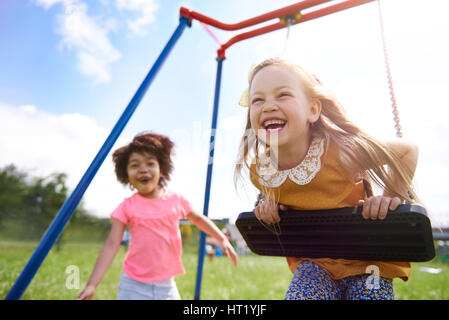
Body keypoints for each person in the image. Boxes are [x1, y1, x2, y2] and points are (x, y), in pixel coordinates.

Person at [235, 57, 420, 300]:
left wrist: (389, 197)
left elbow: (408, 150)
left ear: (313, 110)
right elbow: (281, 197)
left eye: (282, 95)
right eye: (258, 99)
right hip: (315, 264)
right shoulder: (262, 171)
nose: (268, 106)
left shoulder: (341, 153)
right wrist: (267, 207)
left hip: (369, 262)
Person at [77, 132, 237, 300]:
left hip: (166, 286)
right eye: (135, 165)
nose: (143, 169)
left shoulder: (176, 200)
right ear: (126, 174)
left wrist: (222, 238)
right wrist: (91, 285)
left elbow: (199, 219)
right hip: (132, 285)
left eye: (150, 163)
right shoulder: (126, 207)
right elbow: (111, 244)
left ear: (161, 170)